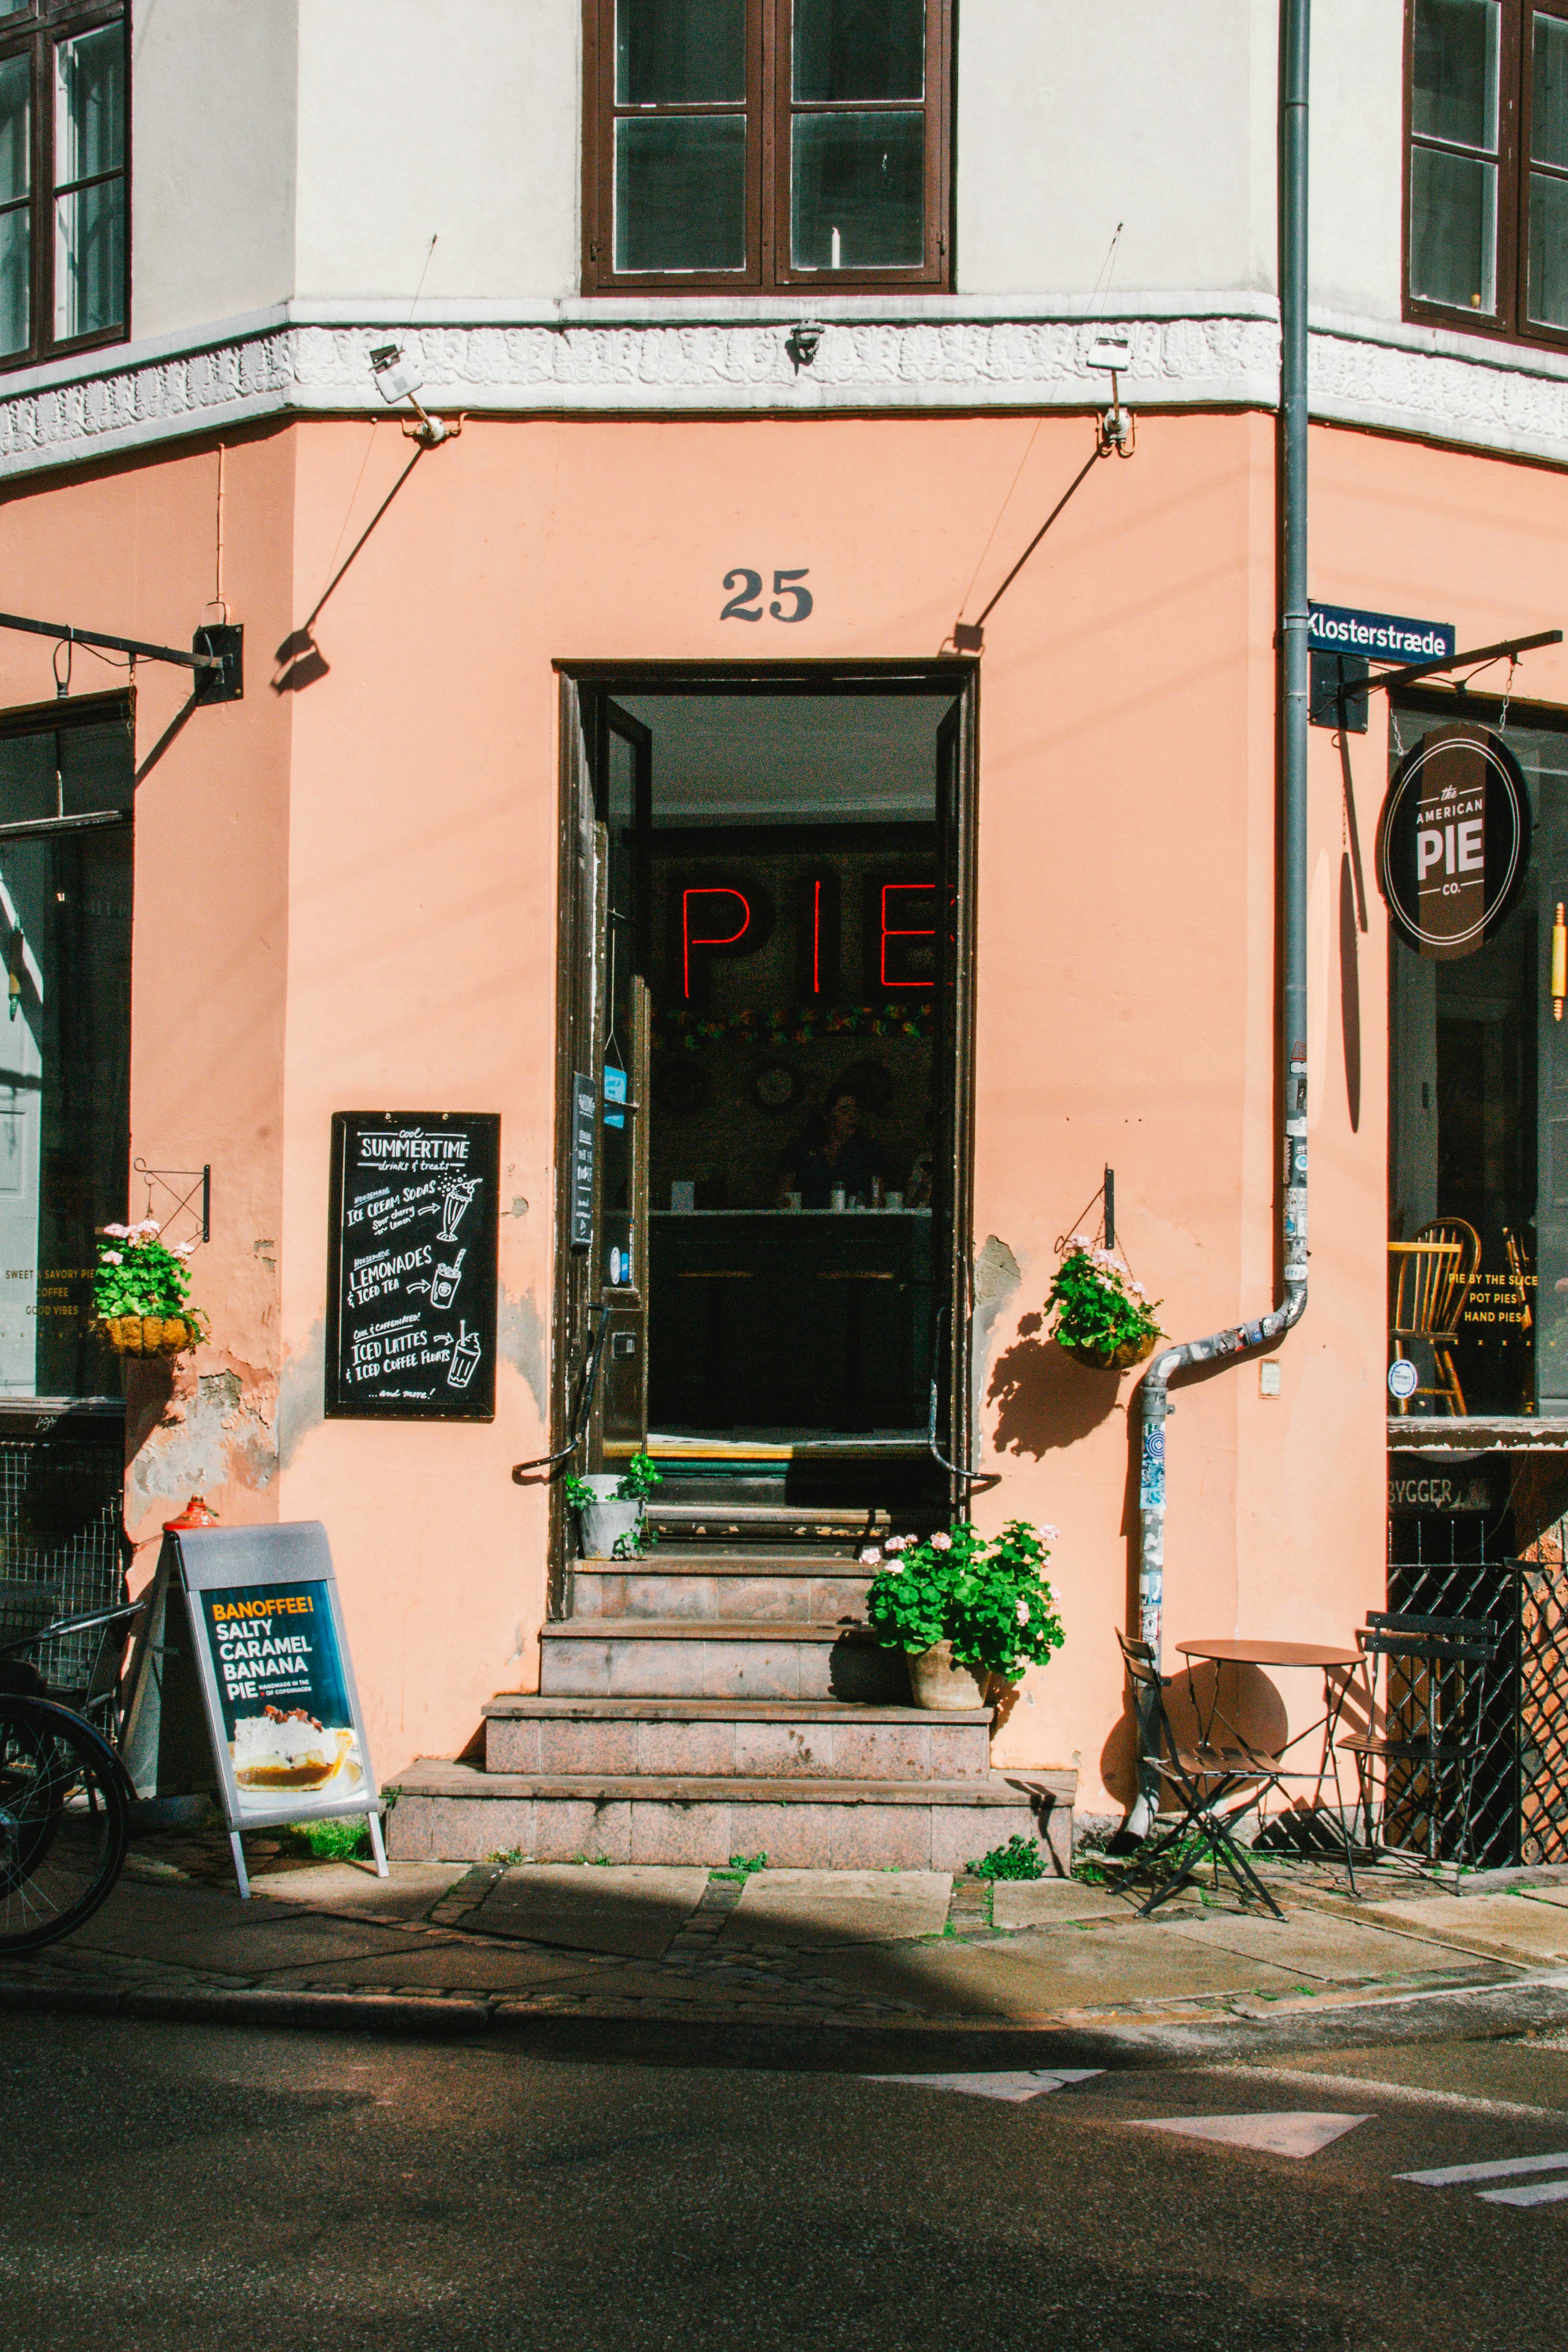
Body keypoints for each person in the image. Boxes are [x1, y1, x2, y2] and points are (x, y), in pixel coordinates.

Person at [777, 1080, 885, 1209]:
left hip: (854, 1224)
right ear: (826, 1115)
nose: (852, 1117)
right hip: (808, 1224)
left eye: (855, 1112)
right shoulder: (800, 1150)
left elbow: (878, 1199)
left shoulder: (868, 1151)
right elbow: (783, 1198)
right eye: (844, 1112)